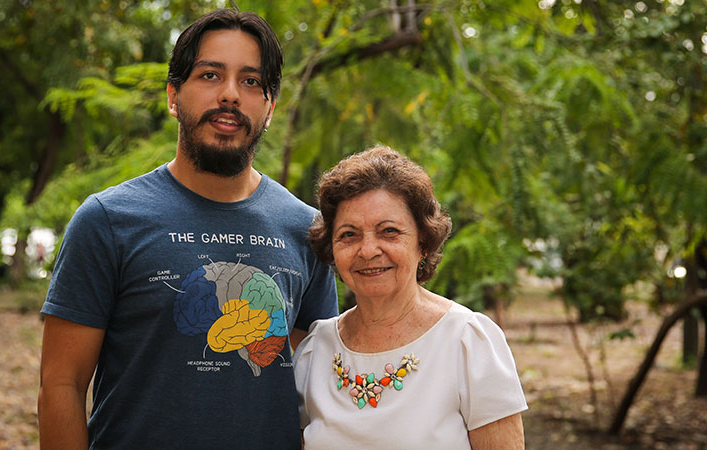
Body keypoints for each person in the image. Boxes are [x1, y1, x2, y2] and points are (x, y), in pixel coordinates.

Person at [37, 9, 338, 449]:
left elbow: (313, 387)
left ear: (270, 107)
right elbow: (61, 384)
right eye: (210, 75)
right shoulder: (107, 220)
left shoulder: (306, 229)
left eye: (251, 81)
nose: (231, 94)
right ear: (173, 96)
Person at [294, 146, 527, 449]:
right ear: (332, 250)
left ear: (424, 242)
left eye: (388, 231)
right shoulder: (315, 351)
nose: (368, 250)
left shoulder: (468, 342)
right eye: (349, 235)